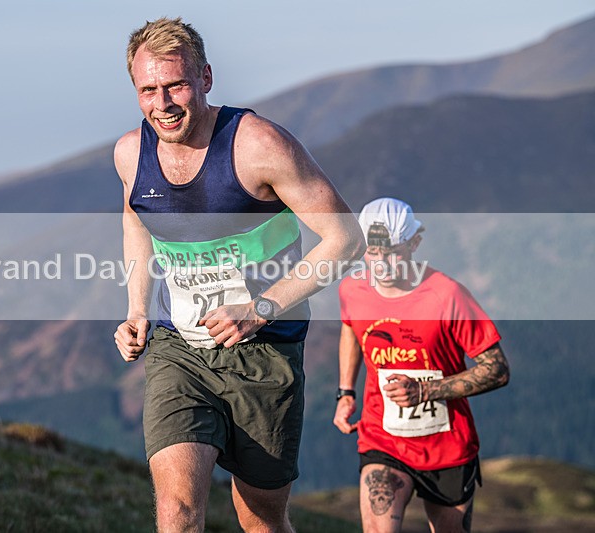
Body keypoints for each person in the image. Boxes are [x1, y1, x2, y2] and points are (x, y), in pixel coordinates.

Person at [112, 17, 364, 532]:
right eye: (148, 91)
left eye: (176, 85)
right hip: (179, 348)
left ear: (205, 78)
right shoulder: (130, 154)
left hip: (265, 352)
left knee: (262, 519)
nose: (163, 104)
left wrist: (260, 308)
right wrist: (137, 309)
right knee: (177, 510)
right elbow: (136, 220)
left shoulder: (258, 145)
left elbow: (347, 238)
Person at [333, 197, 510, 533]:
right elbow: (350, 329)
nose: (381, 262)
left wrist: (426, 390)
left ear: (414, 243)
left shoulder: (447, 295)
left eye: (392, 251)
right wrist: (345, 391)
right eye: (372, 252)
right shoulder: (352, 289)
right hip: (382, 439)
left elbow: (498, 369)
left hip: (447, 447)